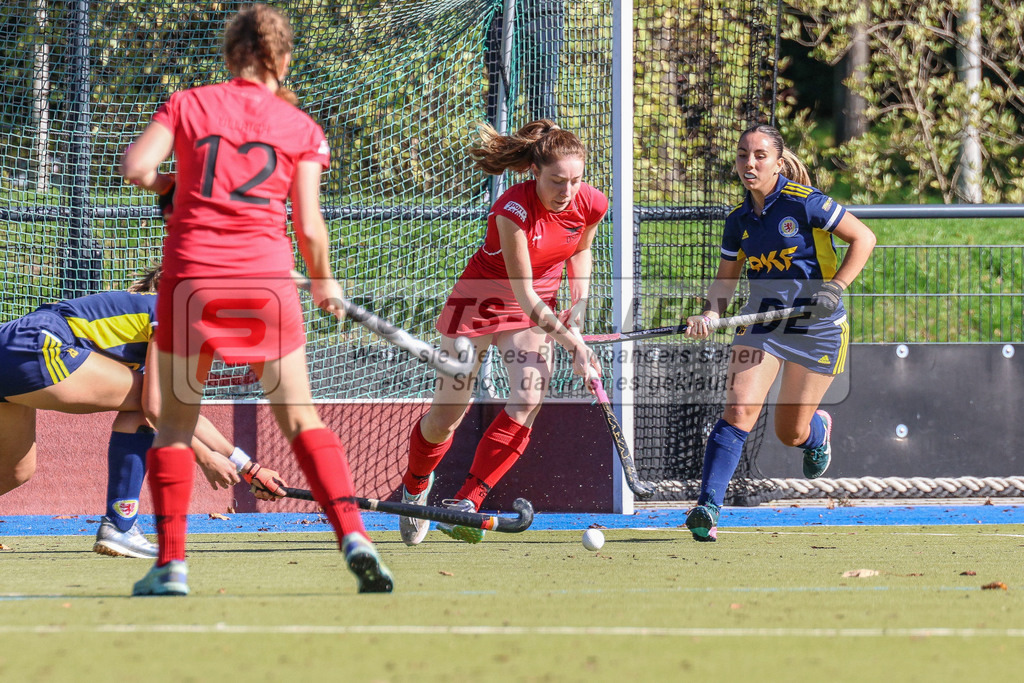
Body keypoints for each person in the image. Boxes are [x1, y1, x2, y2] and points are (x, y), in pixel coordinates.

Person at [120, 3, 392, 595]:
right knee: (300, 419)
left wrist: (170, 183)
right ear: (284, 59)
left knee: (174, 423)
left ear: (228, 55)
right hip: (266, 281)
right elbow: (311, 227)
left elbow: (136, 166)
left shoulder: (188, 104)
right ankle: (354, 536)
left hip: (191, 280)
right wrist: (323, 282)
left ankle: (170, 566)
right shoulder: (302, 128)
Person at [397, 119, 605, 546]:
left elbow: (580, 252)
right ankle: (416, 485)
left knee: (529, 395)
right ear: (535, 172)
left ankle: (466, 503)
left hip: (533, 312)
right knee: (445, 417)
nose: (567, 191)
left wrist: (578, 312)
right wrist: (573, 345)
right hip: (480, 302)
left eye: (576, 180)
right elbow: (524, 294)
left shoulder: (591, 203)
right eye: (557, 181)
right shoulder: (512, 209)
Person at [0, 263, 286, 560]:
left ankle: (119, 527)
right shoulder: (175, 315)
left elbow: (181, 413)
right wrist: (204, 457)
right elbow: (156, 408)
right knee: (144, 408)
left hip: (11, 345)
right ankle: (120, 526)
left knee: (14, 471)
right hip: (39, 344)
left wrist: (249, 468)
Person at [682, 123, 876, 542]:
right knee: (738, 411)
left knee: (790, 434)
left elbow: (864, 237)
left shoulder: (806, 204)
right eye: (742, 156)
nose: (749, 164)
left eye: (759, 156)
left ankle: (817, 432)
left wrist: (835, 286)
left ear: (777, 161)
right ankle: (708, 508)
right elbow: (724, 283)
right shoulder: (738, 220)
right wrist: (709, 315)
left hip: (818, 327)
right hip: (763, 324)